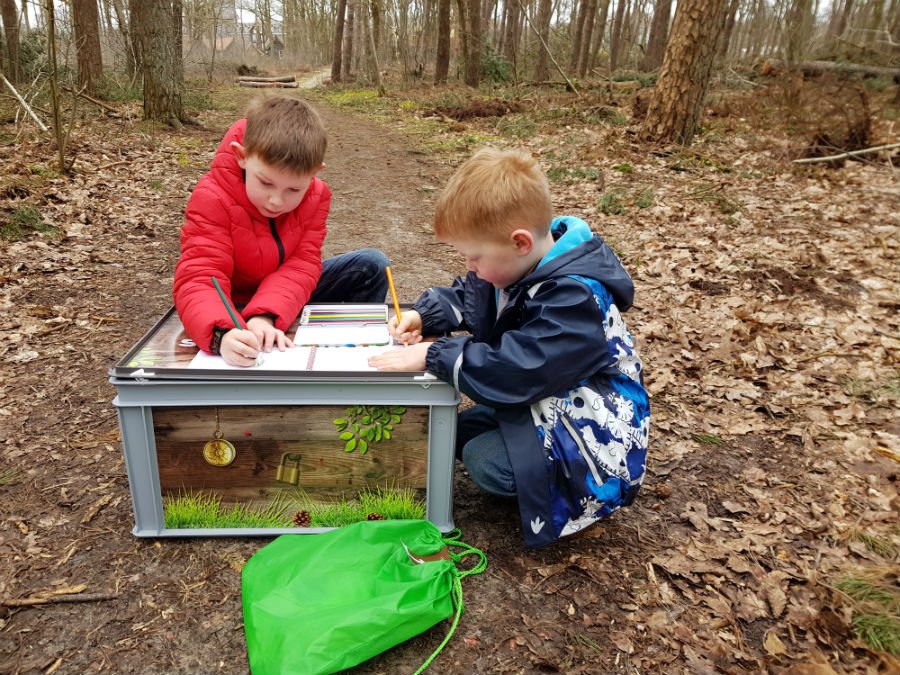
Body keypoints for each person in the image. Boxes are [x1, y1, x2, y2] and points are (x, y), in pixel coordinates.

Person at [369, 148, 650, 547]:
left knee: (484, 460)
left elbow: (521, 368)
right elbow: (472, 295)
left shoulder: (574, 297)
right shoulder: (516, 267)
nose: (470, 266)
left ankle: (563, 491)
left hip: (596, 439)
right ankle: (522, 453)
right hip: (550, 402)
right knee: (448, 432)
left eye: (475, 256)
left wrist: (434, 354)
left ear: (519, 242)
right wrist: (425, 316)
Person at [173, 95, 389, 366]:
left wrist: (266, 315)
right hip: (231, 305)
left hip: (283, 298)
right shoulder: (212, 197)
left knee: (371, 266)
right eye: (265, 183)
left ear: (315, 172)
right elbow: (201, 275)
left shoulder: (317, 196)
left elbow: (302, 264)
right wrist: (222, 335)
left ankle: (351, 358)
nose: (276, 201)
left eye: (294, 189)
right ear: (242, 156)